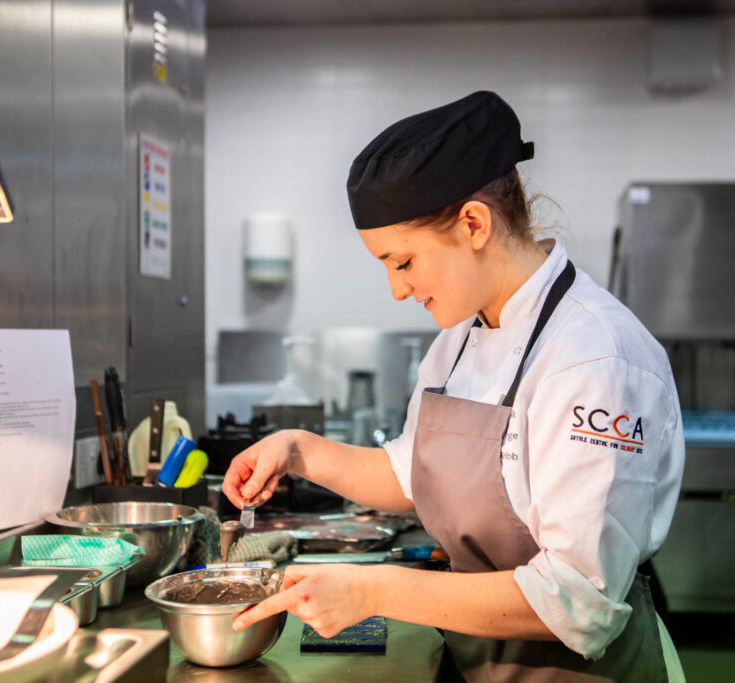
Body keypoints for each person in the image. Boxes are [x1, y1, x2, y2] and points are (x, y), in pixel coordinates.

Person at [223, 90, 686, 682]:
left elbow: (581, 602)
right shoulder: (459, 340)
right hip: (478, 663)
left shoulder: (596, 359)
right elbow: (414, 474)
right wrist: (297, 450)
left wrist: (373, 590)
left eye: (404, 262)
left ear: (473, 223)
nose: (396, 289)